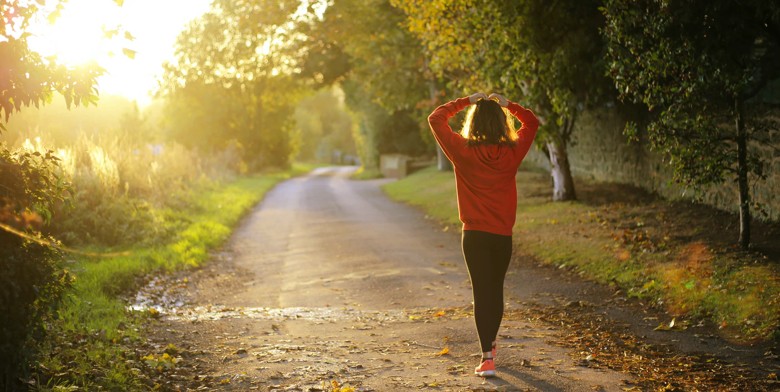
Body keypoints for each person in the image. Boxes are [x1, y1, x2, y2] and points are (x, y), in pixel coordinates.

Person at [428, 92, 539, 377]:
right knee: (495, 290)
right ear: (502, 124)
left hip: (474, 235)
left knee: (481, 292)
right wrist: (508, 105)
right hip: (502, 235)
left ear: (473, 123)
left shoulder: (462, 150)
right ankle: (490, 344)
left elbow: (436, 118)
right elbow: (532, 122)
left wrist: (466, 101)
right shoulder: (512, 152)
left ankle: (487, 357)